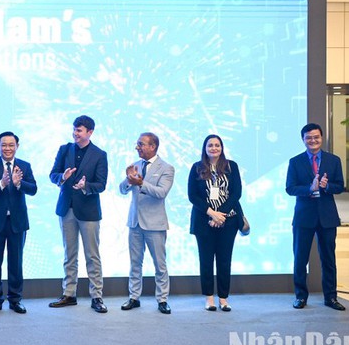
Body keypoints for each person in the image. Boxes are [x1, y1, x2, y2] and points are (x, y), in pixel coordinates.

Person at [48, 115, 109, 313]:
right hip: (66, 208)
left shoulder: (100, 154)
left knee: (92, 255)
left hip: (89, 211)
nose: (75, 133)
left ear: (90, 132)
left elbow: (101, 184)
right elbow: (53, 174)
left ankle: (97, 296)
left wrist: (86, 186)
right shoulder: (64, 149)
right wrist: (62, 177)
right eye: (74, 129)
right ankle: (69, 294)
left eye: (79, 130)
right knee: (69, 254)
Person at [286, 123, 346, 311]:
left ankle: (331, 297)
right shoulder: (295, 162)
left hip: (327, 216)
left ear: (322, 138)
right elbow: (290, 188)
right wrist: (309, 188)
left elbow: (340, 186)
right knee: (300, 258)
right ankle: (300, 297)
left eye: (316, 137)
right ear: (303, 140)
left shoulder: (333, 160)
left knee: (328, 258)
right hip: (304, 217)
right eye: (309, 138)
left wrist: (326, 186)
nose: (313, 140)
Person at [0, 131, 37, 315]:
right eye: (4, 145)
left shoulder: (24, 166)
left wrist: (19, 184)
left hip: (17, 221)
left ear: (17, 147)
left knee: (16, 262)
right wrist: (2, 183)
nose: (7, 148)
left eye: (11, 145)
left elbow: (33, 189)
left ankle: (15, 299)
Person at [187, 134, 245, 312]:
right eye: (210, 145)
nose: (214, 148)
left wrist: (222, 216)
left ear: (222, 148)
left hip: (229, 221)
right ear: (205, 148)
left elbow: (236, 193)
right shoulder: (197, 167)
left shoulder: (231, 166)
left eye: (217, 145)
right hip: (204, 221)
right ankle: (209, 298)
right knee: (205, 260)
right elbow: (192, 195)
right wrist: (212, 214)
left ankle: (223, 298)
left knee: (224, 260)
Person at [119, 132, 174, 314]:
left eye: (141, 144)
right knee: (135, 263)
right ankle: (134, 297)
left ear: (153, 146)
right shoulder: (135, 166)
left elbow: (161, 193)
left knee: (160, 264)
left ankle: (162, 300)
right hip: (135, 223)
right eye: (137, 144)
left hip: (155, 224)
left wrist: (141, 183)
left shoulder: (166, 168)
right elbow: (122, 189)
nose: (137, 147)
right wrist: (128, 180)